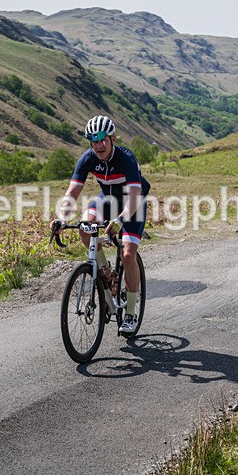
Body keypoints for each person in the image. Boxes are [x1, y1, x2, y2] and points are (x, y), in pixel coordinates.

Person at [51, 115, 150, 334]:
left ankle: (131, 314)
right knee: (85, 224)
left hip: (132, 204)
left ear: (112, 138)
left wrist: (120, 220)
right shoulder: (87, 159)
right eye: (94, 141)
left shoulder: (126, 158)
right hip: (107, 199)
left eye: (103, 140)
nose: (99, 145)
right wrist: (61, 218)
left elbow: (135, 196)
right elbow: (73, 192)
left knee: (127, 255)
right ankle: (106, 272)